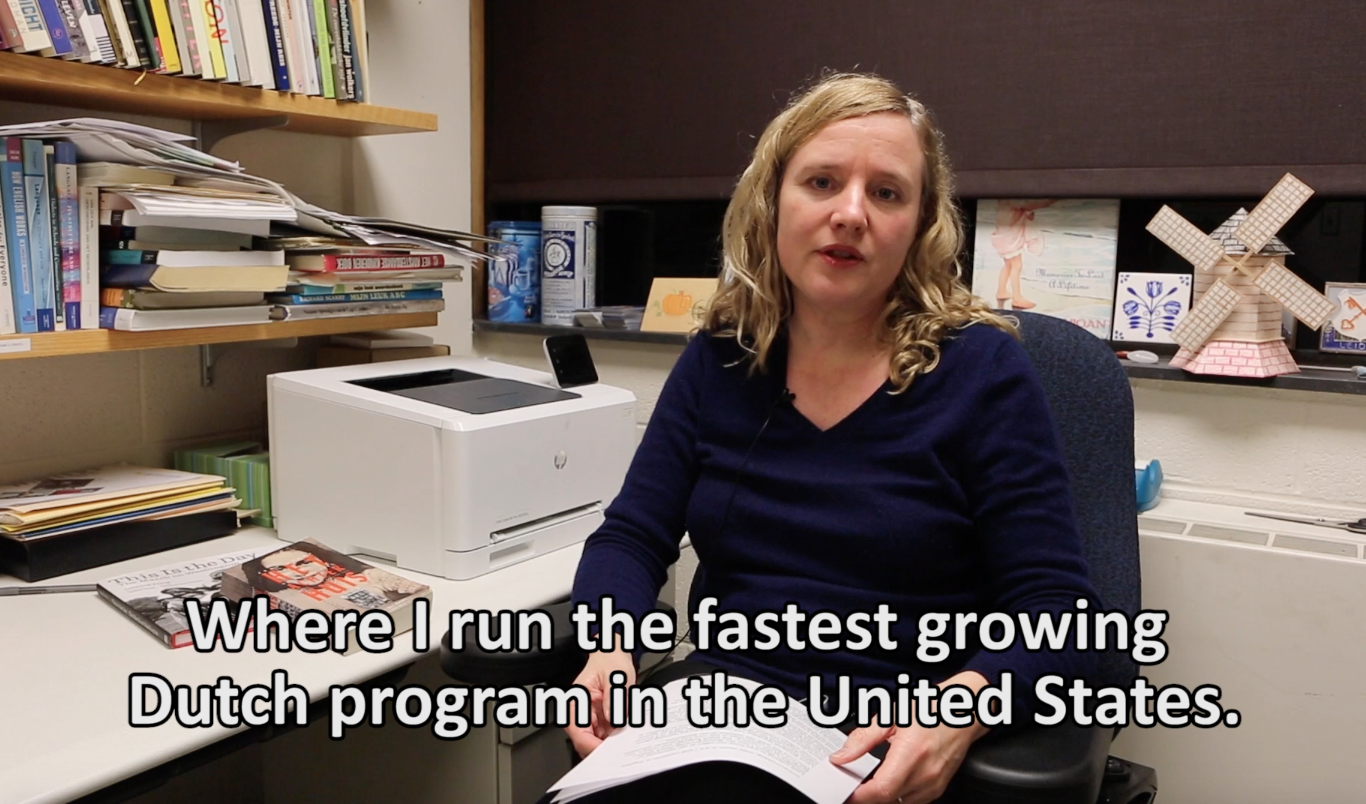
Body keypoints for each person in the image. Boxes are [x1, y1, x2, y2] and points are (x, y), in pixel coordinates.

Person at [564, 72, 1099, 804]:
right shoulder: (721, 359)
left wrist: (961, 712)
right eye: (821, 182)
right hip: (723, 716)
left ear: (919, 224)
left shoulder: (982, 372)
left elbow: (1060, 610)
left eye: (887, 193)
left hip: (888, 741)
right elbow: (631, 536)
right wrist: (609, 648)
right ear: (772, 201)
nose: (850, 213)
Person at [989, 199, 1056, 310]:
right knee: (1017, 265)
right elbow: (1030, 205)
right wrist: (1050, 201)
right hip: (1010, 239)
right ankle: (1017, 298)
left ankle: (1001, 291)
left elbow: (1019, 212)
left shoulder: (1003, 203)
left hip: (1002, 237)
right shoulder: (1013, 202)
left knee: (1008, 265)